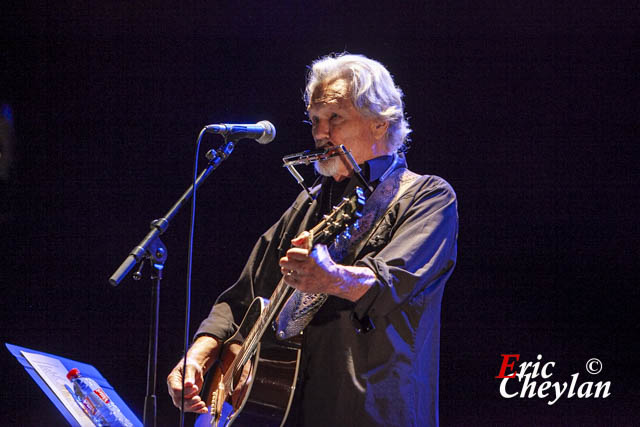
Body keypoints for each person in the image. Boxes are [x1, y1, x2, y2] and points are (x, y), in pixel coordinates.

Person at [167, 53, 458, 426]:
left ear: (380, 124)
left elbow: (393, 283)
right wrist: (203, 348)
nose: (320, 134)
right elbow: (244, 294)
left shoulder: (428, 196)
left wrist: (332, 277)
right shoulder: (310, 201)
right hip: (288, 410)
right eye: (315, 121)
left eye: (335, 118)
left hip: (369, 408)